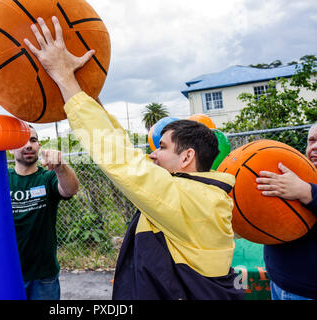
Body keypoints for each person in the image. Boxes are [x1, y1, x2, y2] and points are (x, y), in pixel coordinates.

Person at [23, 16, 245, 299]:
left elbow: (121, 159)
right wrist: (83, 86)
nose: (152, 153)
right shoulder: (201, 194)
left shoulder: (193, 200)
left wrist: (63, 76)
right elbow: (123, 147)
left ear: (187, 156)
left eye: (162, 147)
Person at [0, 125, 79, 300]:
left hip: (43, 277)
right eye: (22, 141)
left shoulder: (47, 178)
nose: (28, 145)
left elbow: (70, 189)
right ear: (11, 148)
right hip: (7, 276)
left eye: (33, 140)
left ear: (39, 146)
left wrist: (60, 166)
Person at [256, 122, 317, 300]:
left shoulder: (299, 183)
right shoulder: (292, 173)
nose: (314, 147)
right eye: (311, 141)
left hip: (308, 291)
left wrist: (306, 192)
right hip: (279, 281)